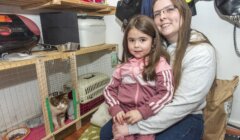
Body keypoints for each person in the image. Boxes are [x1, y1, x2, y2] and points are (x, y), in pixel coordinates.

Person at [101, 0, 216, 140]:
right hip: (150, 108)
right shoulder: (152, 44)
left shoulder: (201, 52)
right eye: (157, 13)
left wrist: (133, 128)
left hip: (184, 116)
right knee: (105, 134)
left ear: (184, 11)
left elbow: (181, 106)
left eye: (169, 9)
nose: (162, 17)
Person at [102, 15, 174, 140]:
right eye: (131, 40)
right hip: (123, 117)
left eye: (142, 40)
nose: (136, 45)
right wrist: (115, 108)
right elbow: (109, 90)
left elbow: (166, 93)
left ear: (153, 41)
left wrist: (142, 112)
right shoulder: (122, 68)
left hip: (147, 117)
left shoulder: (160, 64)